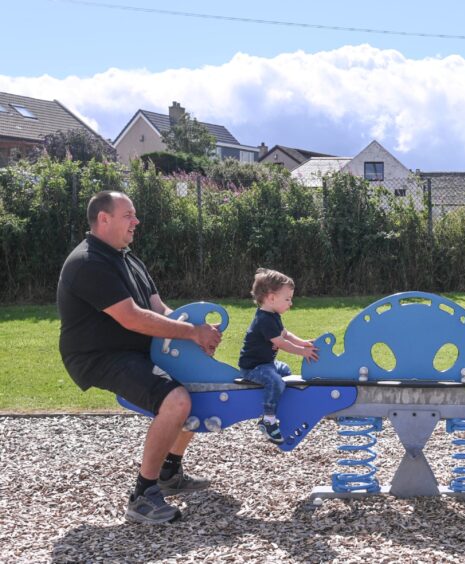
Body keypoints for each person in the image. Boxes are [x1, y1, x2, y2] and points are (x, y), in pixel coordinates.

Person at [58, 191, 222, 526]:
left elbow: (159, 308)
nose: (136, 221)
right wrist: (192, 334)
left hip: (134, 349)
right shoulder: (88, 262)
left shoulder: (128, 258)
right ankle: (143, 496)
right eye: (128, 215)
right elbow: (131, 317)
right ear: (104, 219)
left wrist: (194, 331)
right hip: (100, 355)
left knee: (197, 383)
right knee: (176, 401)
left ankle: (169, 471)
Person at [238, 268, 318, 444]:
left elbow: (286, 335)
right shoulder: (264, 319)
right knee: (276, 382)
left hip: (266, 363)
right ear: (271, 298)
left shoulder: (273, 315)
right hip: (253, 367)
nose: (291, 303)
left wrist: (303, 342)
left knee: (285, 370)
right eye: (287, 299)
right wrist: (303, 352)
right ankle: (268, 420)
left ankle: (280, 405)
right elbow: (281, 343)